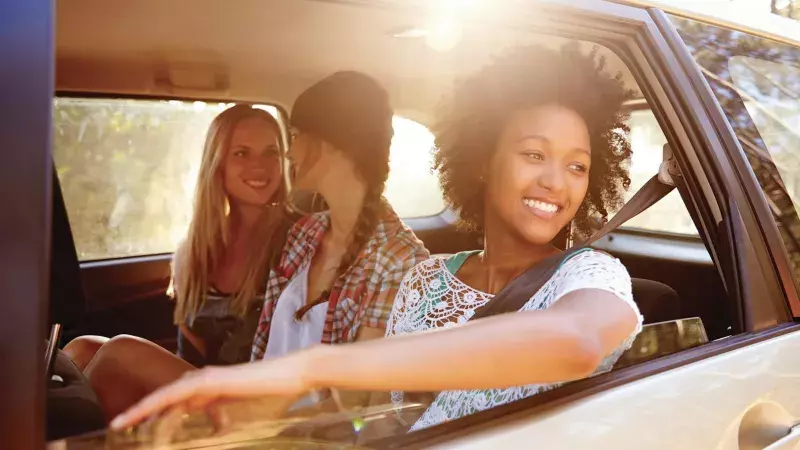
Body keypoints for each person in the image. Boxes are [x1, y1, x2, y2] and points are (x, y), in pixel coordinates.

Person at [110, 44, 643, 433]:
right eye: (534, 154)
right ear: (482, 160)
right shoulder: (426, 278)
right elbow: (385, 420)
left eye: (577, 165)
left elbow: (578, 340)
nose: (556, 181)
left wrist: (306, 369)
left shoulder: (589, 275)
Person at [62, 104, 290, 418]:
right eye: (241, 153)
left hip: (254, 395)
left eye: (271, 153)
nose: (260, 166)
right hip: (206, 386)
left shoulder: (296, 240)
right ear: (217, 162)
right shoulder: (193, 253)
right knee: (82, 348)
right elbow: (191, 356)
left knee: (122, 352)